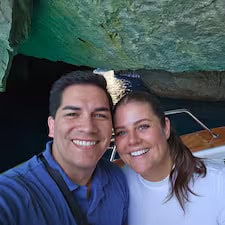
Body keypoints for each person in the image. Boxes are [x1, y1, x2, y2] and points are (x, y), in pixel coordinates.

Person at [0, 70, 128, 225]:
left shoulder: (117, 179)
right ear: (52, 126)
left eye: (100, 115)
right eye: (73, 114)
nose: (88, 128)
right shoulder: (12, 195)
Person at [113, 90, 225, 225]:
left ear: (165, 128)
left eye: (143, 126)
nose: (132, 140)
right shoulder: (118, 185)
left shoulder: (218, 182)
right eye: (122, 132)